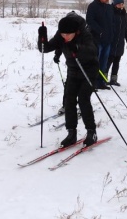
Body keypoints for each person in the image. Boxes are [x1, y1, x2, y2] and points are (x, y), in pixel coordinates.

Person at [39, 13, 100, 147]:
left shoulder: (85, 34)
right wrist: (42, 37)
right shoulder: (61, 34)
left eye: (68, 35)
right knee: (69, 100)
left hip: (88, 71)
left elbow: (92, 51)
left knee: (83, 99)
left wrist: (78, 48)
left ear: (76, 32)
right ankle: (71, 133)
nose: (65, 37)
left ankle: (91, 132)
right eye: (63, 35)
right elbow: (45, 48)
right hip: (73, 70)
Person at [86, 0, 114, 88]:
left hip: (108, 40)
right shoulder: (92, 6)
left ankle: (100, 82)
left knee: (104, 62)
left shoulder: (109, 7)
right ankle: (92, 83)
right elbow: (89, 20)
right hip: (97, 40)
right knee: (95, 62)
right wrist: (100, 31)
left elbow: (112, 22)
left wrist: (111, 34)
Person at [108, 0, 127, 86]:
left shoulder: (124, 14)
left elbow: (126, 28)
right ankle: (103, 79)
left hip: (120, 41)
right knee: (109, 61)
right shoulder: (111, 12)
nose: (121, 6)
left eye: (122, 4)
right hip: (112, 41)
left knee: (117, 61)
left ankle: (113, 79)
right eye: (119, 4)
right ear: (115, 4)